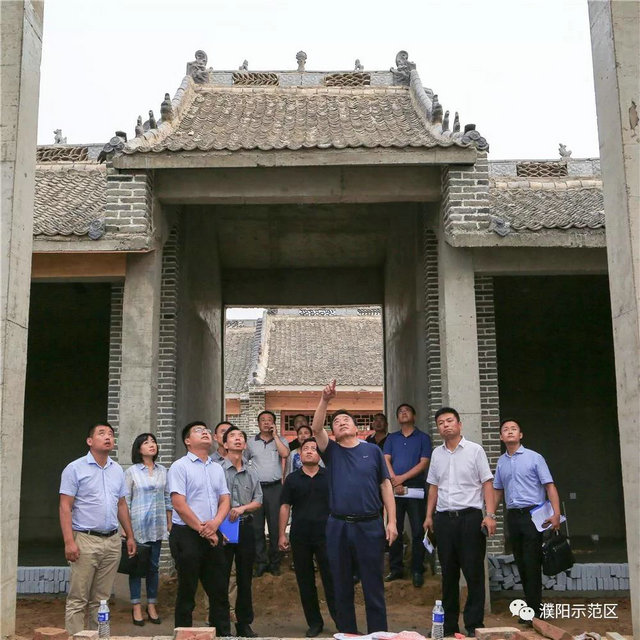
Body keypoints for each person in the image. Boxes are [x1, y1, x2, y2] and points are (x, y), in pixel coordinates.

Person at [311, 380, 397, 634]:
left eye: (346, 420)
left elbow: (385, 486)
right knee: (341, 586)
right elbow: (316, 428)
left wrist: (391, 521)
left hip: (370, 525)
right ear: (333, 432)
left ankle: (378, 634)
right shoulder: (331, 451)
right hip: (338, 525)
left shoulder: (373, 451)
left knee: (373, 586)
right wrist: (325, 399)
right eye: (336, 422)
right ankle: (348, 634)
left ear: (356, 427)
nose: (341, 423)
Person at [424, 407, 496, 638]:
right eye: (441, 423)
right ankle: (449, 625)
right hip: (444, 520)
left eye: (449, 421)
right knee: (449, 573)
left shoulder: (475, 450)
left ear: (459, 424)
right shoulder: (437, 454)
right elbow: (433, 487)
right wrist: (428, 516)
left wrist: (490, 514)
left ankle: (474, 624)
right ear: (438, 428)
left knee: (474, 573)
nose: (445, 425)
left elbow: (487, 483)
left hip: (470, 519)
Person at [59, 422, 136, 635]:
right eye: (101, 433)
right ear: (90, 441)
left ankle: (100, 637)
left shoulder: (117, 470)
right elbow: (65, 506)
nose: (108, 437)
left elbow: (121, 504)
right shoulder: (75, 468)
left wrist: (130, 535)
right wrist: (69, 541)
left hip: (112, 540)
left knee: (102, 599)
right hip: (85, 539)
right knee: (78, 598)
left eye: (110, 433)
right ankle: (76, 637)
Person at [494, 419, 561, 624]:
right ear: (501, 437)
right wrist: (490, 514)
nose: (510, 432)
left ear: (520, 435)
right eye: (506, 430)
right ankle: (531, 606)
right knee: (521, 561)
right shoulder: (501, 462)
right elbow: (498, 490)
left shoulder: (534, 458)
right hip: (513, 516)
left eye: (514, 429)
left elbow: (549, 486)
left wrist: (556, 513)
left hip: (534, 515)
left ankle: (534, 610)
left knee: (532, 562)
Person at [167, 421, 231, 634]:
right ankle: (184, 634)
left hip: (213, 531)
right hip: (187, 534)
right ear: (187, 441)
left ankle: (223, 634)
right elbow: (179, 504)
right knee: (187, 591)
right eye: (198, 431)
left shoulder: (217, 468)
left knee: (219, 591)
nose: (205, 432)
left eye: (206, 430)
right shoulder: (180, 466)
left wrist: (215, 524)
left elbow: (225, 499)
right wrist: (203, 529)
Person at [279, 437, 337, 637]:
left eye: (314, 448)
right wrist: (281, 534)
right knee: (305, 581)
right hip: (300, 536)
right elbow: (285, 506)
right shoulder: (292, 479)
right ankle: (314, 622)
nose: (310, 451)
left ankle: (341, 621)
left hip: (326, 535)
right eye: (306, 449)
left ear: (319, 455)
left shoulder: (329, 476)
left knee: (331, 579)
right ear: (300, 454)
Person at [220, 425, 263, 638]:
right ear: (225, 444)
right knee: (221, 576)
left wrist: (242, 508)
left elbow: (258, 500)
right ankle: (221, 624)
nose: (237, 439)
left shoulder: (252, 471)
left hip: (245, 526)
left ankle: (244, 623)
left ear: (245, 445)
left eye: (241, 437)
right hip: (222, 527)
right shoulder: (217, 470)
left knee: (245, 578)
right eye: (232, 436)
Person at [125, 433, 172, 626]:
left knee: (153, 567)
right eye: (146, 442)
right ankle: (136, 605)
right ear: (139, 449)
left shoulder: (163, 470)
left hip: (157, 525)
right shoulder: (132, 471)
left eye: (153, 442)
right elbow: (126, 500)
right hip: (137, 526)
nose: (152, 445)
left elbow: (168, 497)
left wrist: (169, 521)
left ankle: (151, 604)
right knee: (136, 568)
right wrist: (126, 529)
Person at [384, 403, 432, 587]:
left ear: (414, 416)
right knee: (394, 528)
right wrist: (394, 481)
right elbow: (385, 459)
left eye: (407, 411)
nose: (403, 413)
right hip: (394, 490)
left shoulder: (423, 438)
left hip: (416, 489)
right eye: (400, 412)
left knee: (418, 530)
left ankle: (417, 569)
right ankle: (396, 569)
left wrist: (401, 479)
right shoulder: (392, 438)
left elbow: (424, 462)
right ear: (397, 418)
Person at [246, 410, 289, 576]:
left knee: (275, 526)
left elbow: (285, 454)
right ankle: (261, 562)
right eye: (263, 420)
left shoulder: (281, 440)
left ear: (273, 423)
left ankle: (275, 562)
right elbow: (243, 460)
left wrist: (276, 436)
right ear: (258, 424)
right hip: (256, 489)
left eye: (269, 420)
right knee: (257, 527)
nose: (266, 422)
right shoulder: (251, 442)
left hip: (275, 488)